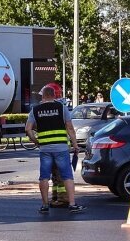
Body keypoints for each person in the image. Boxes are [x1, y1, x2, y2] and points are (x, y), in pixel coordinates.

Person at [25, 85, 85, 214]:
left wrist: (35, 140)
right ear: (54, 95)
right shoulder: (62, 108)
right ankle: (72, 204)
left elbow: (28, 129)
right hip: (61, 148)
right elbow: (70, 128)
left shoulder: (35, 110)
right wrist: (75, 145)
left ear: (43, 96)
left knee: (44, 177)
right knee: (67, 176)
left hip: (45, 148)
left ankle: (45, 205)